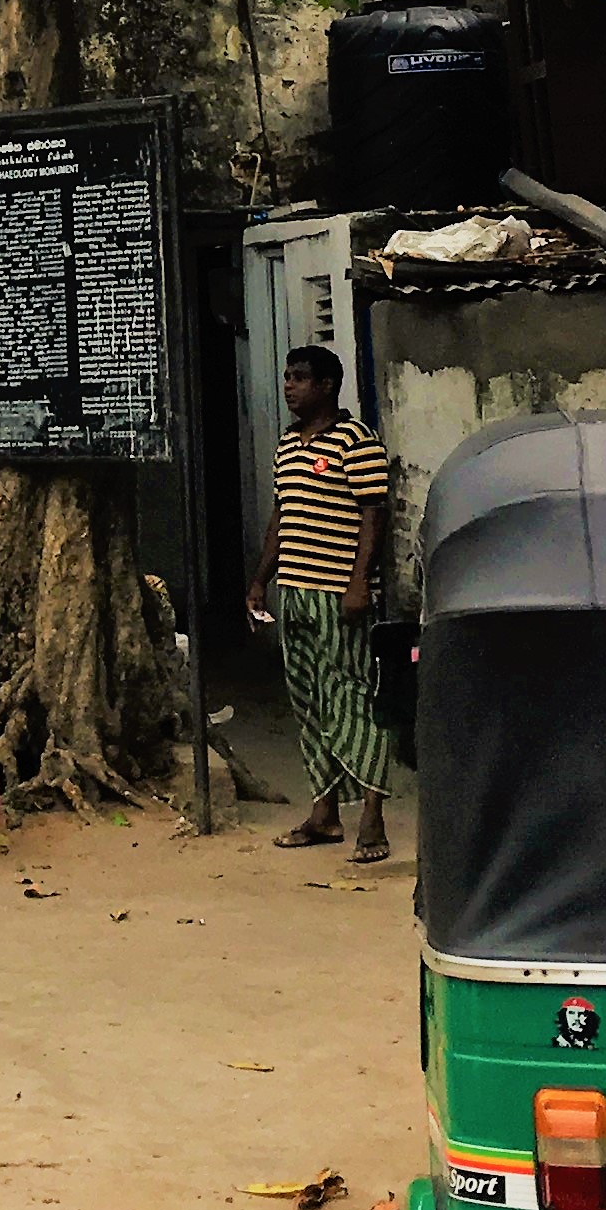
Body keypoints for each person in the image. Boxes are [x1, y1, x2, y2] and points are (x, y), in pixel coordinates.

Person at [245, 343, 397, 861]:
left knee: (353, 700)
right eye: (287, 377)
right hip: (296, 592)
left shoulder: (358, 442)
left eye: (300, 378)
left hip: (340, 595)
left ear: (327, 386)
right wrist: (260, 581)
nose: (289, 386)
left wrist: (359, 585)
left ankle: (373, 821)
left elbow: (374, 517)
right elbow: (281, 519)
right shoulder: (288, 445)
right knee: (308, 703)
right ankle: (324, 815)